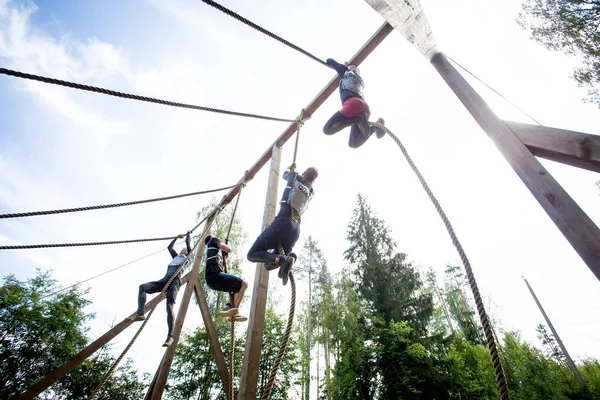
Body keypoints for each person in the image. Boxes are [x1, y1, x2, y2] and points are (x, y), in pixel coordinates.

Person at [247, 164, 318, 285]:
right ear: (314, 180)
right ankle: (287, 260)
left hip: (283, 220)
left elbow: (285, 174)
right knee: (269, 265)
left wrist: (291, 168)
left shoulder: (295, 177)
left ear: (304, 173)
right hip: (295, 228)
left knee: (252, 254)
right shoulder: (311, 192)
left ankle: (283, 259)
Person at [130, 232, 191, 347]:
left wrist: (188, 234)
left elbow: (188, 244)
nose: (183, 250)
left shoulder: (189, 258)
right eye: (182, 249)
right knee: (143, 287)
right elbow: (169, 247)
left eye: (185, 250)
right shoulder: (176, 257)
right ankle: (140, 313)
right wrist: (176, 238)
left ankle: (170, 336)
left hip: (175, 280)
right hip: (165, 280)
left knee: (169, 306)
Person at [322, 58, 385, 149]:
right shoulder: (360, 80)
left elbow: (330, 61)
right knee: (353, 143)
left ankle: (358, 120)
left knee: (327, 130)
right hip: (363, 107)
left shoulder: (346, 72)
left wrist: (344, 67)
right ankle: (374, 129)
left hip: (352, 105)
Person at [204, 235, 248, 322]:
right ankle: (231, 309)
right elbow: (228, 249)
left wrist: (226, 253)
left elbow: (225, 260)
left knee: (237, 287)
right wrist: (229, 243)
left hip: (211, 281)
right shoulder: (213, 240)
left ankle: (229, 309)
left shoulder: (212, 251)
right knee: (244, 284)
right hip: (215, 275)